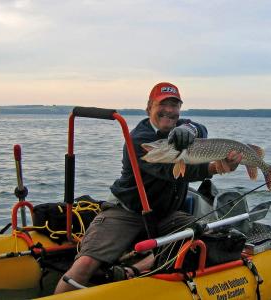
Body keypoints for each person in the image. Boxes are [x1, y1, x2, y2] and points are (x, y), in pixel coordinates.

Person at [55, 82, 242, 294]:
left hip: (166, 214)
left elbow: (201, 128)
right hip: (127, 211)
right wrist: (215, 167)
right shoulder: (140, 140)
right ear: (149, 108)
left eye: (175, 105)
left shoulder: (182, 128)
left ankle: (133, 270)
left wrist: (190, 129)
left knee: (205, 239)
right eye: (162, 104)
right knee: (86, 262)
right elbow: (175, 171)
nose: (169, 111)